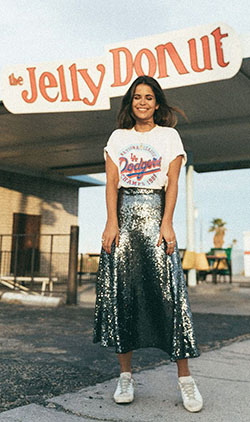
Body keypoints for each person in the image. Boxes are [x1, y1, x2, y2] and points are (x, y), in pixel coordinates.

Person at [93, 75, 203, 413]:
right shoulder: (118, 137)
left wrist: (167, 223)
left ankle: (185, 379)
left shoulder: (168, 136)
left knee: (170, 298)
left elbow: (172, 185)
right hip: (123, 222)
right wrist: (112, 222)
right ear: (130, 102)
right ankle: (125, 376)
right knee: (122, 296)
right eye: (137, 97)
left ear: (157, 103)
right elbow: (112, 183)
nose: (143, 102)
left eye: (149, 97)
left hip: (156, 219)